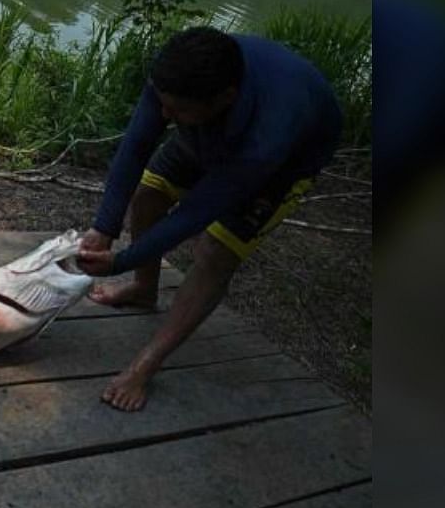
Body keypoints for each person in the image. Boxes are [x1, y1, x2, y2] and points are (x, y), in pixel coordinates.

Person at [77, 26, 342, 412]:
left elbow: (195, 214)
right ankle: (144, 289)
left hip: (287, 162)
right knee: (149, 195)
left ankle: (146, 365)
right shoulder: (178, 80)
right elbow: (136, 146)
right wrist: (105, 226)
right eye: (162, 103)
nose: (164, 115)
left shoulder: (266, 141)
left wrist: (121, 259)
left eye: (176, 110)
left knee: (217, 250)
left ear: (224, 99)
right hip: (208, 131)